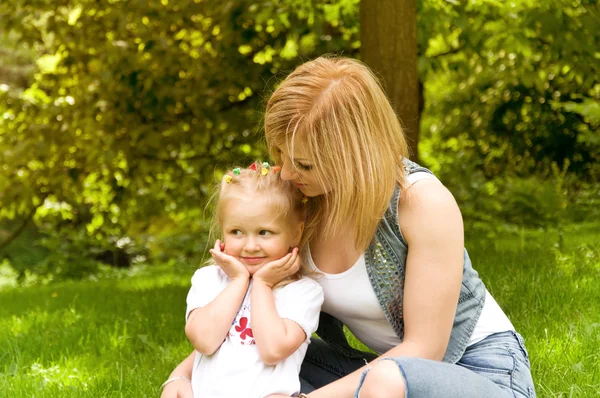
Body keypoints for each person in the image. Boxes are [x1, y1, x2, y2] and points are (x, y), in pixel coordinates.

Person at [162, 56, 536, 398]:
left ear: (352, 155)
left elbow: (425, 351)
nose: (288, 174)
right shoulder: (298, 204)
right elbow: (245, 327)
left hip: (478, 373)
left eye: (305, 165)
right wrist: (184, 375)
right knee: (271, 356)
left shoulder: (420, 203)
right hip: (379, 376)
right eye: (281, 156)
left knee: (386, 378)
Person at [160, 161, 324, 398]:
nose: (250, 246)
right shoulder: (209, 280)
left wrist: (262, 285)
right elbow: (204, 341)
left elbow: (272, 350)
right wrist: (238, 281)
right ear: (222, 231)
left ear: (295, 233)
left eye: (264, 232)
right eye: (236, 232)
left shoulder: (303, 292)